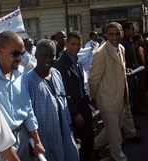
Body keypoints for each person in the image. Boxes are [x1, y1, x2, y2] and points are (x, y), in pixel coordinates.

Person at [0, 31, 45, 161]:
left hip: (23, 138)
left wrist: (37, 141)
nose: (20, 58)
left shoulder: (21, 74)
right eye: (15, 53)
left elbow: (27, 108)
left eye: (22, 53)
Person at [27, 39, 79, 161]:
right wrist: (34, 141)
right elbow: (28, 113)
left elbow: (63, 99)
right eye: (43, 56)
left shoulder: (56, 73)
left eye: (52, 56)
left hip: (65, 131)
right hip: (45, 137)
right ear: (36, 56)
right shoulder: (29, 80)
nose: (48, 60)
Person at [89, 22, 128, 161]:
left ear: (122, 33)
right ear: (106, 35)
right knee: (116, 135)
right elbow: (93, 79)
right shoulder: (101, 53)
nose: (114, 37)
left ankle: (93, 145)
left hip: (120, 98)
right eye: (111, 34)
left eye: (117, 33)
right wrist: (93, 99)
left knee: (116, 128)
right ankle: (118, 157)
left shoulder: (121, 48)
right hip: (107, 100)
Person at [54, 31, 94, 161]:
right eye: (72, 44)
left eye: (78, 44)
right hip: (72, 111)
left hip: (83, 106)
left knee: (89, 139)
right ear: (66, 43)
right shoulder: (60, 64)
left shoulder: (79, 60)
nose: (75, 47)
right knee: (78, 143)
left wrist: (88, 103)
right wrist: (75, 113)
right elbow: (64, 92)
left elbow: (82, 84)